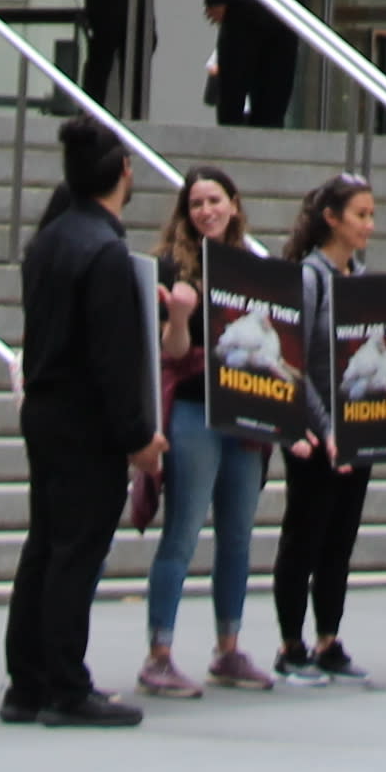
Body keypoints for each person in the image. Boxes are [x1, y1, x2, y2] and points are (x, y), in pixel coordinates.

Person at [6, 116, 163, 727]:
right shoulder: (104, 251)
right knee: (75, 552)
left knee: (45, 545)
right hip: (84, 419)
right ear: (123, 173)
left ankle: (28, 681)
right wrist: (137, 437)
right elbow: (112, 359)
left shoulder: (49, 241)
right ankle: (66, 684)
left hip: (46, 408)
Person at [135, 167, 274, 700]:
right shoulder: (171, 268)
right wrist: (180, 318)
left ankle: (229, 647)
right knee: (184, 530)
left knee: (237, 535)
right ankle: (159, 654)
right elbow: (169, 354)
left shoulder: (254, 268)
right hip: (194, 408)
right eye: (196, 204)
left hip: (246, 412)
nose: (206, 211)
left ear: (234, 205)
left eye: (214, 200)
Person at [269, 171, 385, 683]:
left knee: (341, 538)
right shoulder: (309, 277)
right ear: (331, 220)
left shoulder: (360, 278)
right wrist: (323, 427)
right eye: (360, 215)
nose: (368, 226)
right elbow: (297, 362)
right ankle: (291, 644)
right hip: (318, 434)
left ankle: (328, 638)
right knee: (305, 535)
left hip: (357, 427)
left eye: (371, 215)